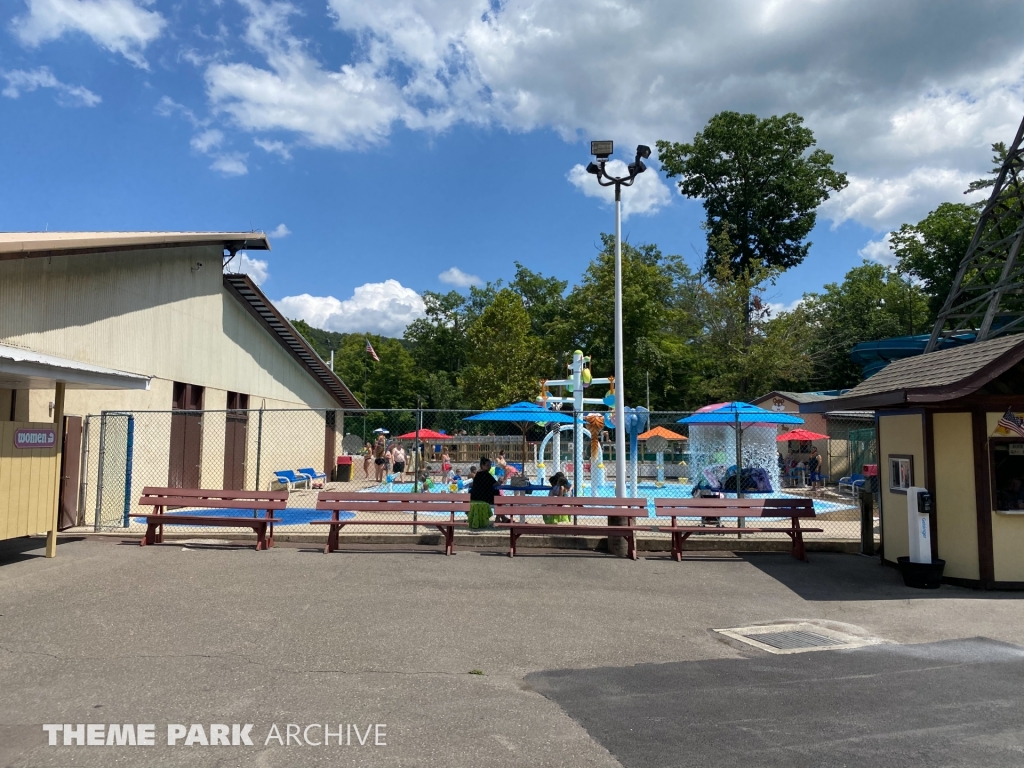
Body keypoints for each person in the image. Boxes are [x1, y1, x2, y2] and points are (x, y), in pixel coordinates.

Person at [468, 457, 500, 529]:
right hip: (486, 498)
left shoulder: (478, 475)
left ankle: (503, 518)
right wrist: (500, 481)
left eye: (490, 465)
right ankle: (498, 518)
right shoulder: (486, 475)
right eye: (487, 465)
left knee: (499, 499)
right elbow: (496, 484)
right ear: (482, 465)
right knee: (500, 500)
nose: (489, 467)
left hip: (476, 497)